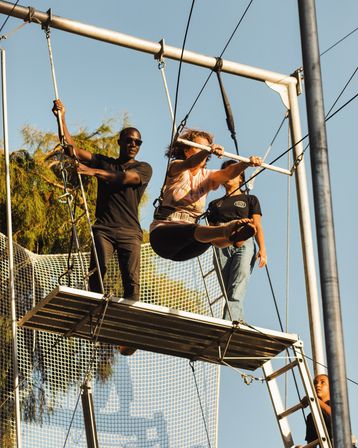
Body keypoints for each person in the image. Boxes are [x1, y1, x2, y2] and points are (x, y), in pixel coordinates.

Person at [52, 100, 152, 355]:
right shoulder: (106, 161)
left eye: (137, 142)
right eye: (129, 140)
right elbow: (70, 148)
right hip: (104, 229)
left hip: (130, 232)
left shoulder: (143, 168)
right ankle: (98, 317)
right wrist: (61, 116)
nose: (133, 145)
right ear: (120, 142)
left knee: (132, 284)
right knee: (98, 271)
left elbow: (124, 179)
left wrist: (93, 172)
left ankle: (128, 331)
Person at [149, 129, 262, 262]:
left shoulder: (207, 176)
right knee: (198, 230)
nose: (204, 151)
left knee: (210, 238)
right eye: (199, 147)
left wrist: (246, 163)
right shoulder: (176, 167)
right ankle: (227, 231)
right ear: (186, 151)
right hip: (164, 235)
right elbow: (190, 163)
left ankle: (233, 238)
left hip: (186, 246)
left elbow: (227, 173)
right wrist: (208, 150)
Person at [207, 159, 267, 322]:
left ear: (241, 178)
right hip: (221, 241)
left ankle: (229, 321)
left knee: (239, 280)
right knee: (228, 288)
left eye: (233, 172)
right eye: (226, 172)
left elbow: (257, 226)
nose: (229, 176)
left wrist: (262, 249)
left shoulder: (250, 200)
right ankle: (237, 319)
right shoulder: (214, 204)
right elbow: (210, 230)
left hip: (244, 240)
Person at [305, 374, 332, 446]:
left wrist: (316, 401)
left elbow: (336, 418)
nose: (317, 385)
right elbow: (311, 444)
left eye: (322, 382)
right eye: (315, 383)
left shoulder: (337, 405)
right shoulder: (311, 417)